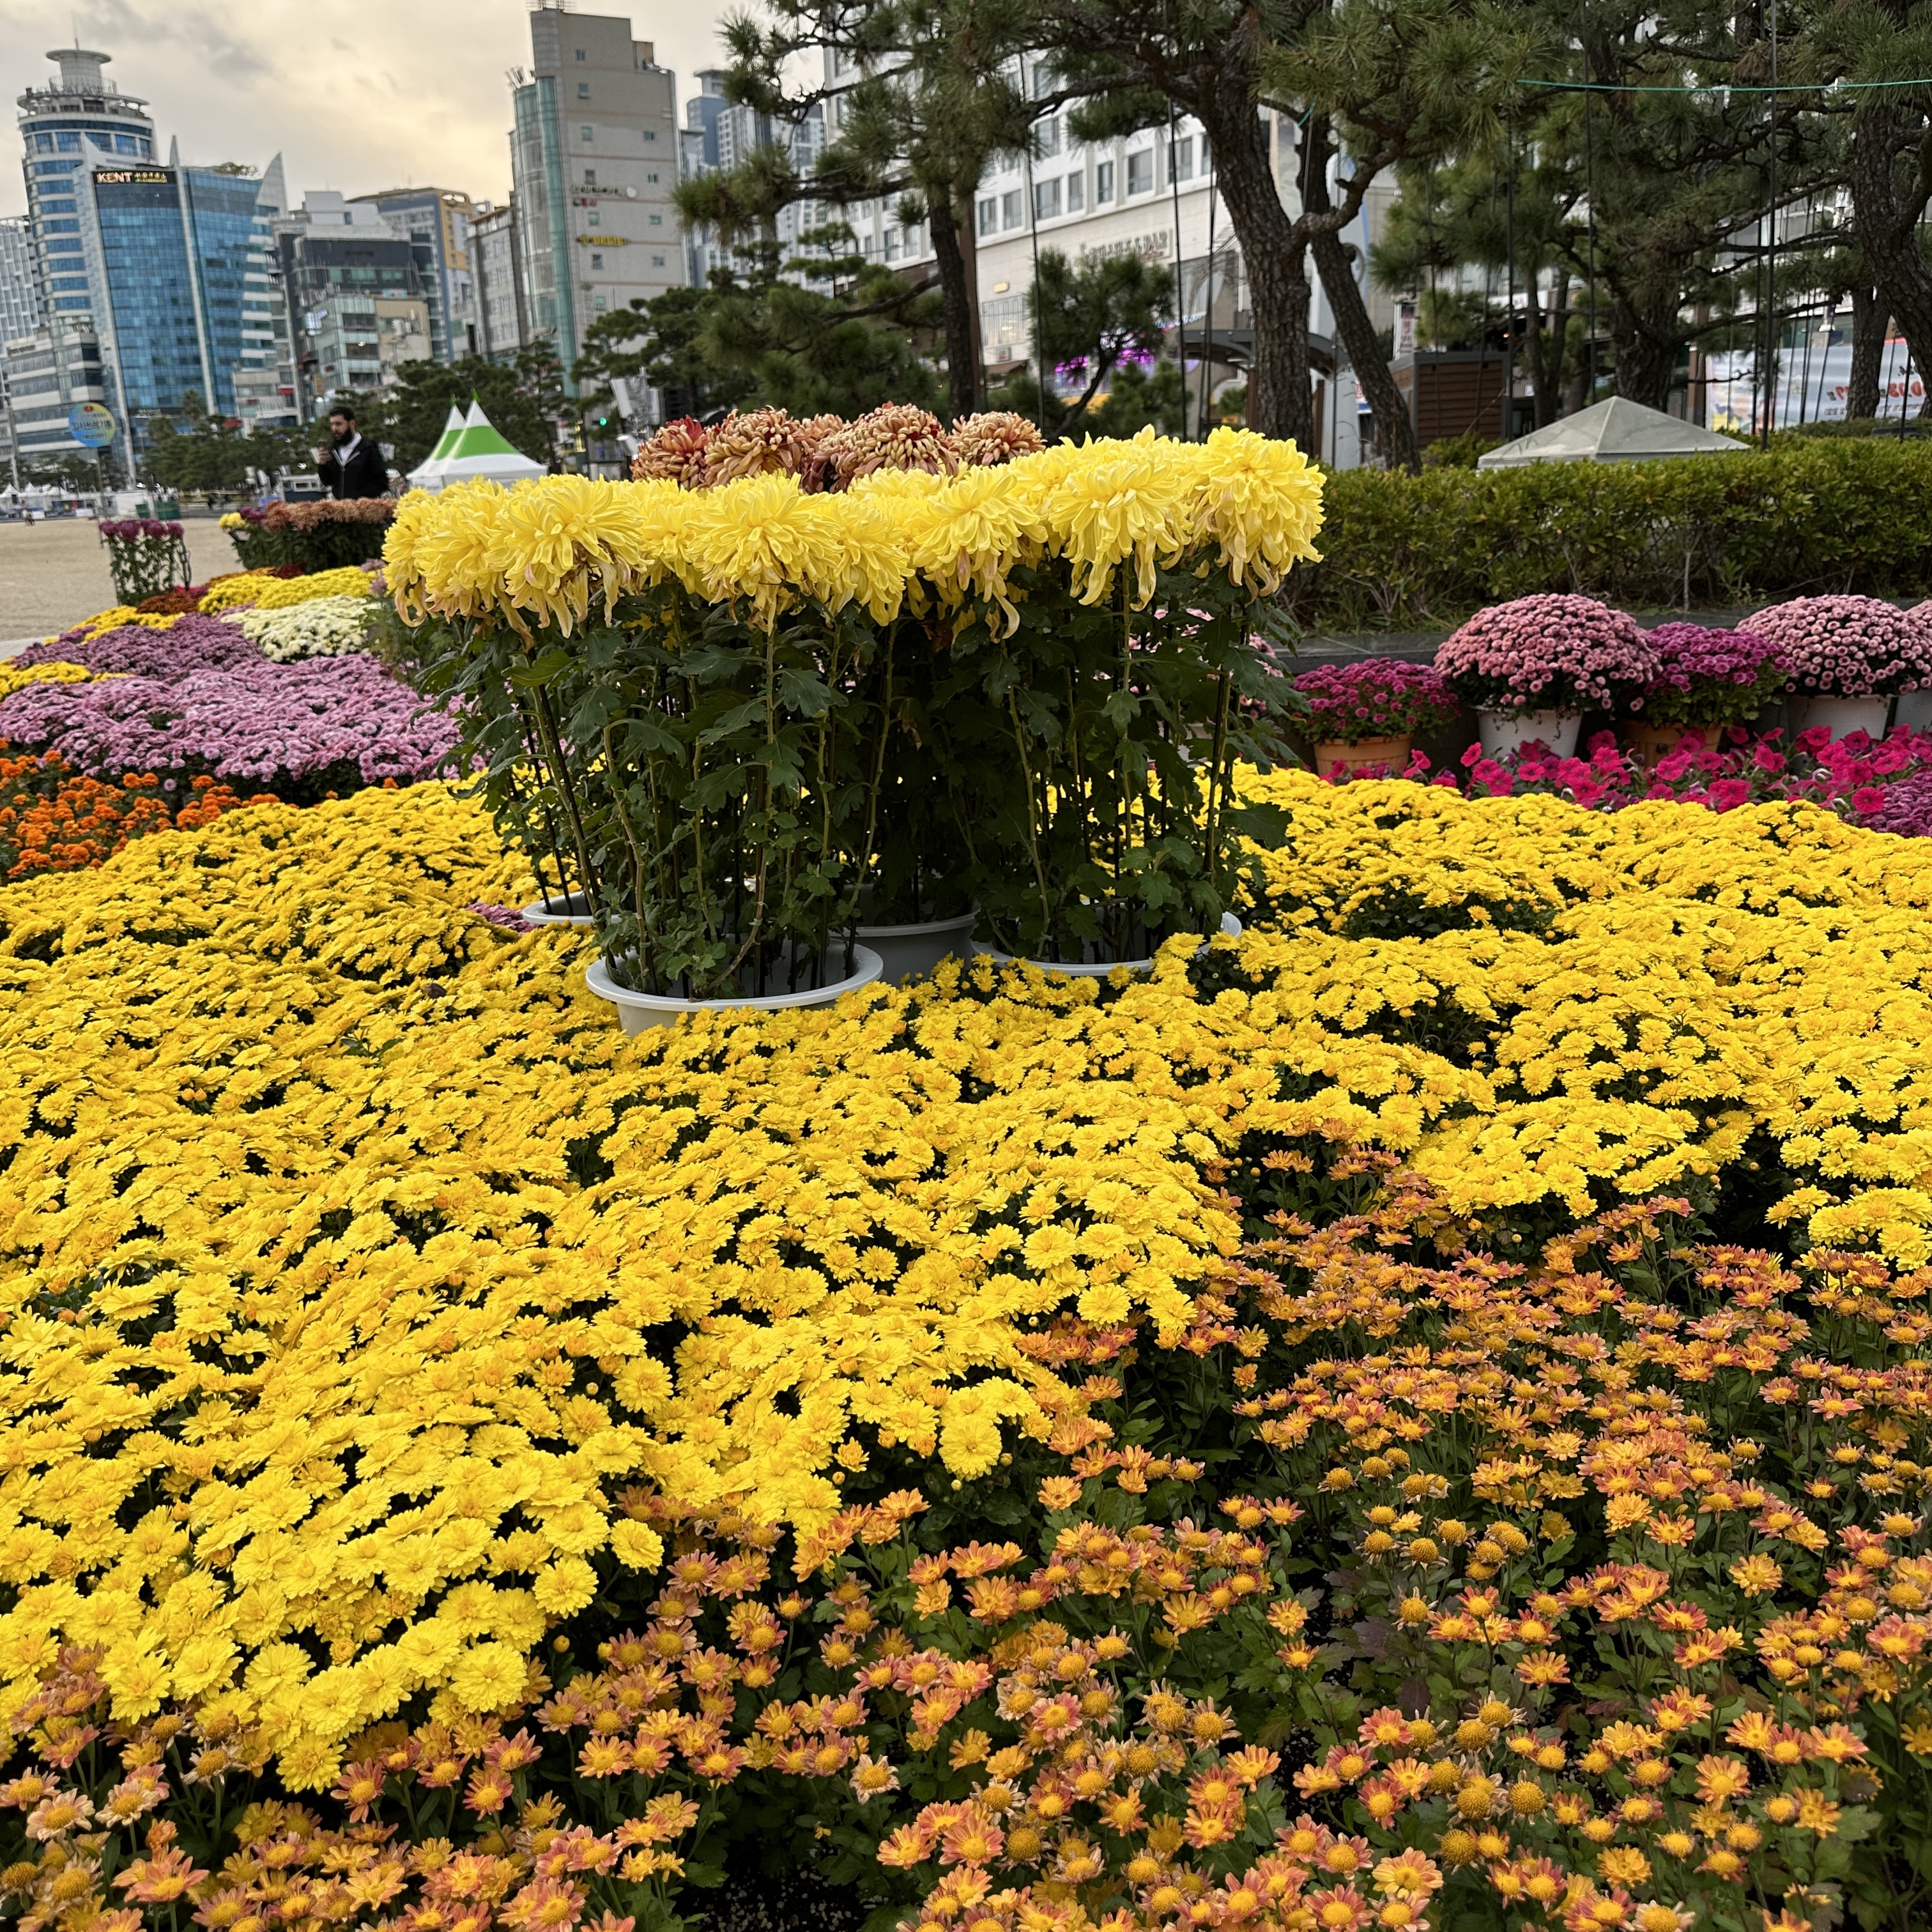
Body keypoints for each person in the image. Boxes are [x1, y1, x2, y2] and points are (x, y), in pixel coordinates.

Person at [312, 406, 388, 499]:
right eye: (332, 424)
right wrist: (322, 465)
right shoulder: (332, 449)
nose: (335, 429)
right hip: (340, 508)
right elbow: (327, 482)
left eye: (339, 424)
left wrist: (361, 498)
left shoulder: (369, 449)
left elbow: (381, 482)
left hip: (363, 508)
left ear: (352, 424)